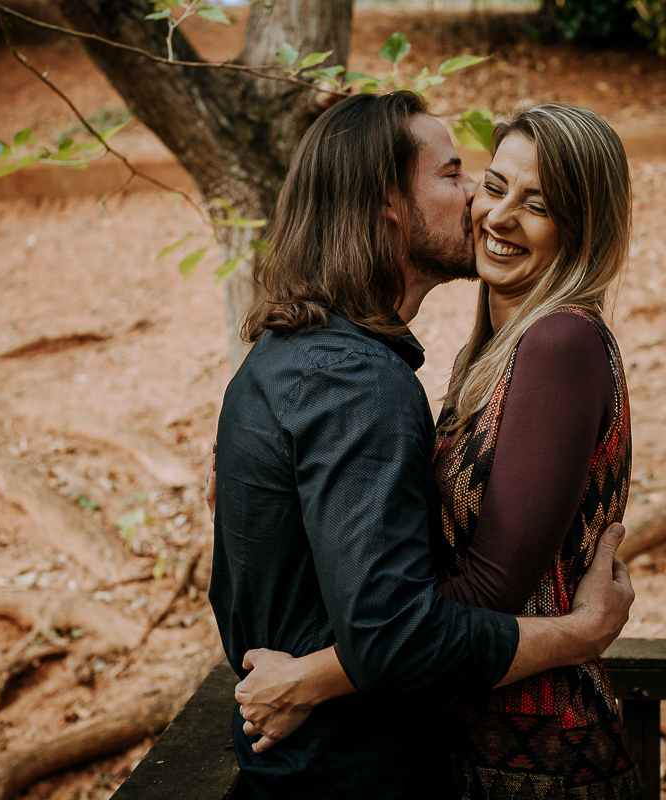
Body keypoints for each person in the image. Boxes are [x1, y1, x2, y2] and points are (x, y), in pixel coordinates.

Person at [208, 91, 634, 800]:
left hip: (534, 756)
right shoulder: (382, 374)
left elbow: (474, 592)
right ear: (388, 203)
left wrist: (314, 677)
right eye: (470, 179)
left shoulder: (554, 342)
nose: (485, 207)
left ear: (579, 227)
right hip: (396, 755)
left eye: (538, 202)